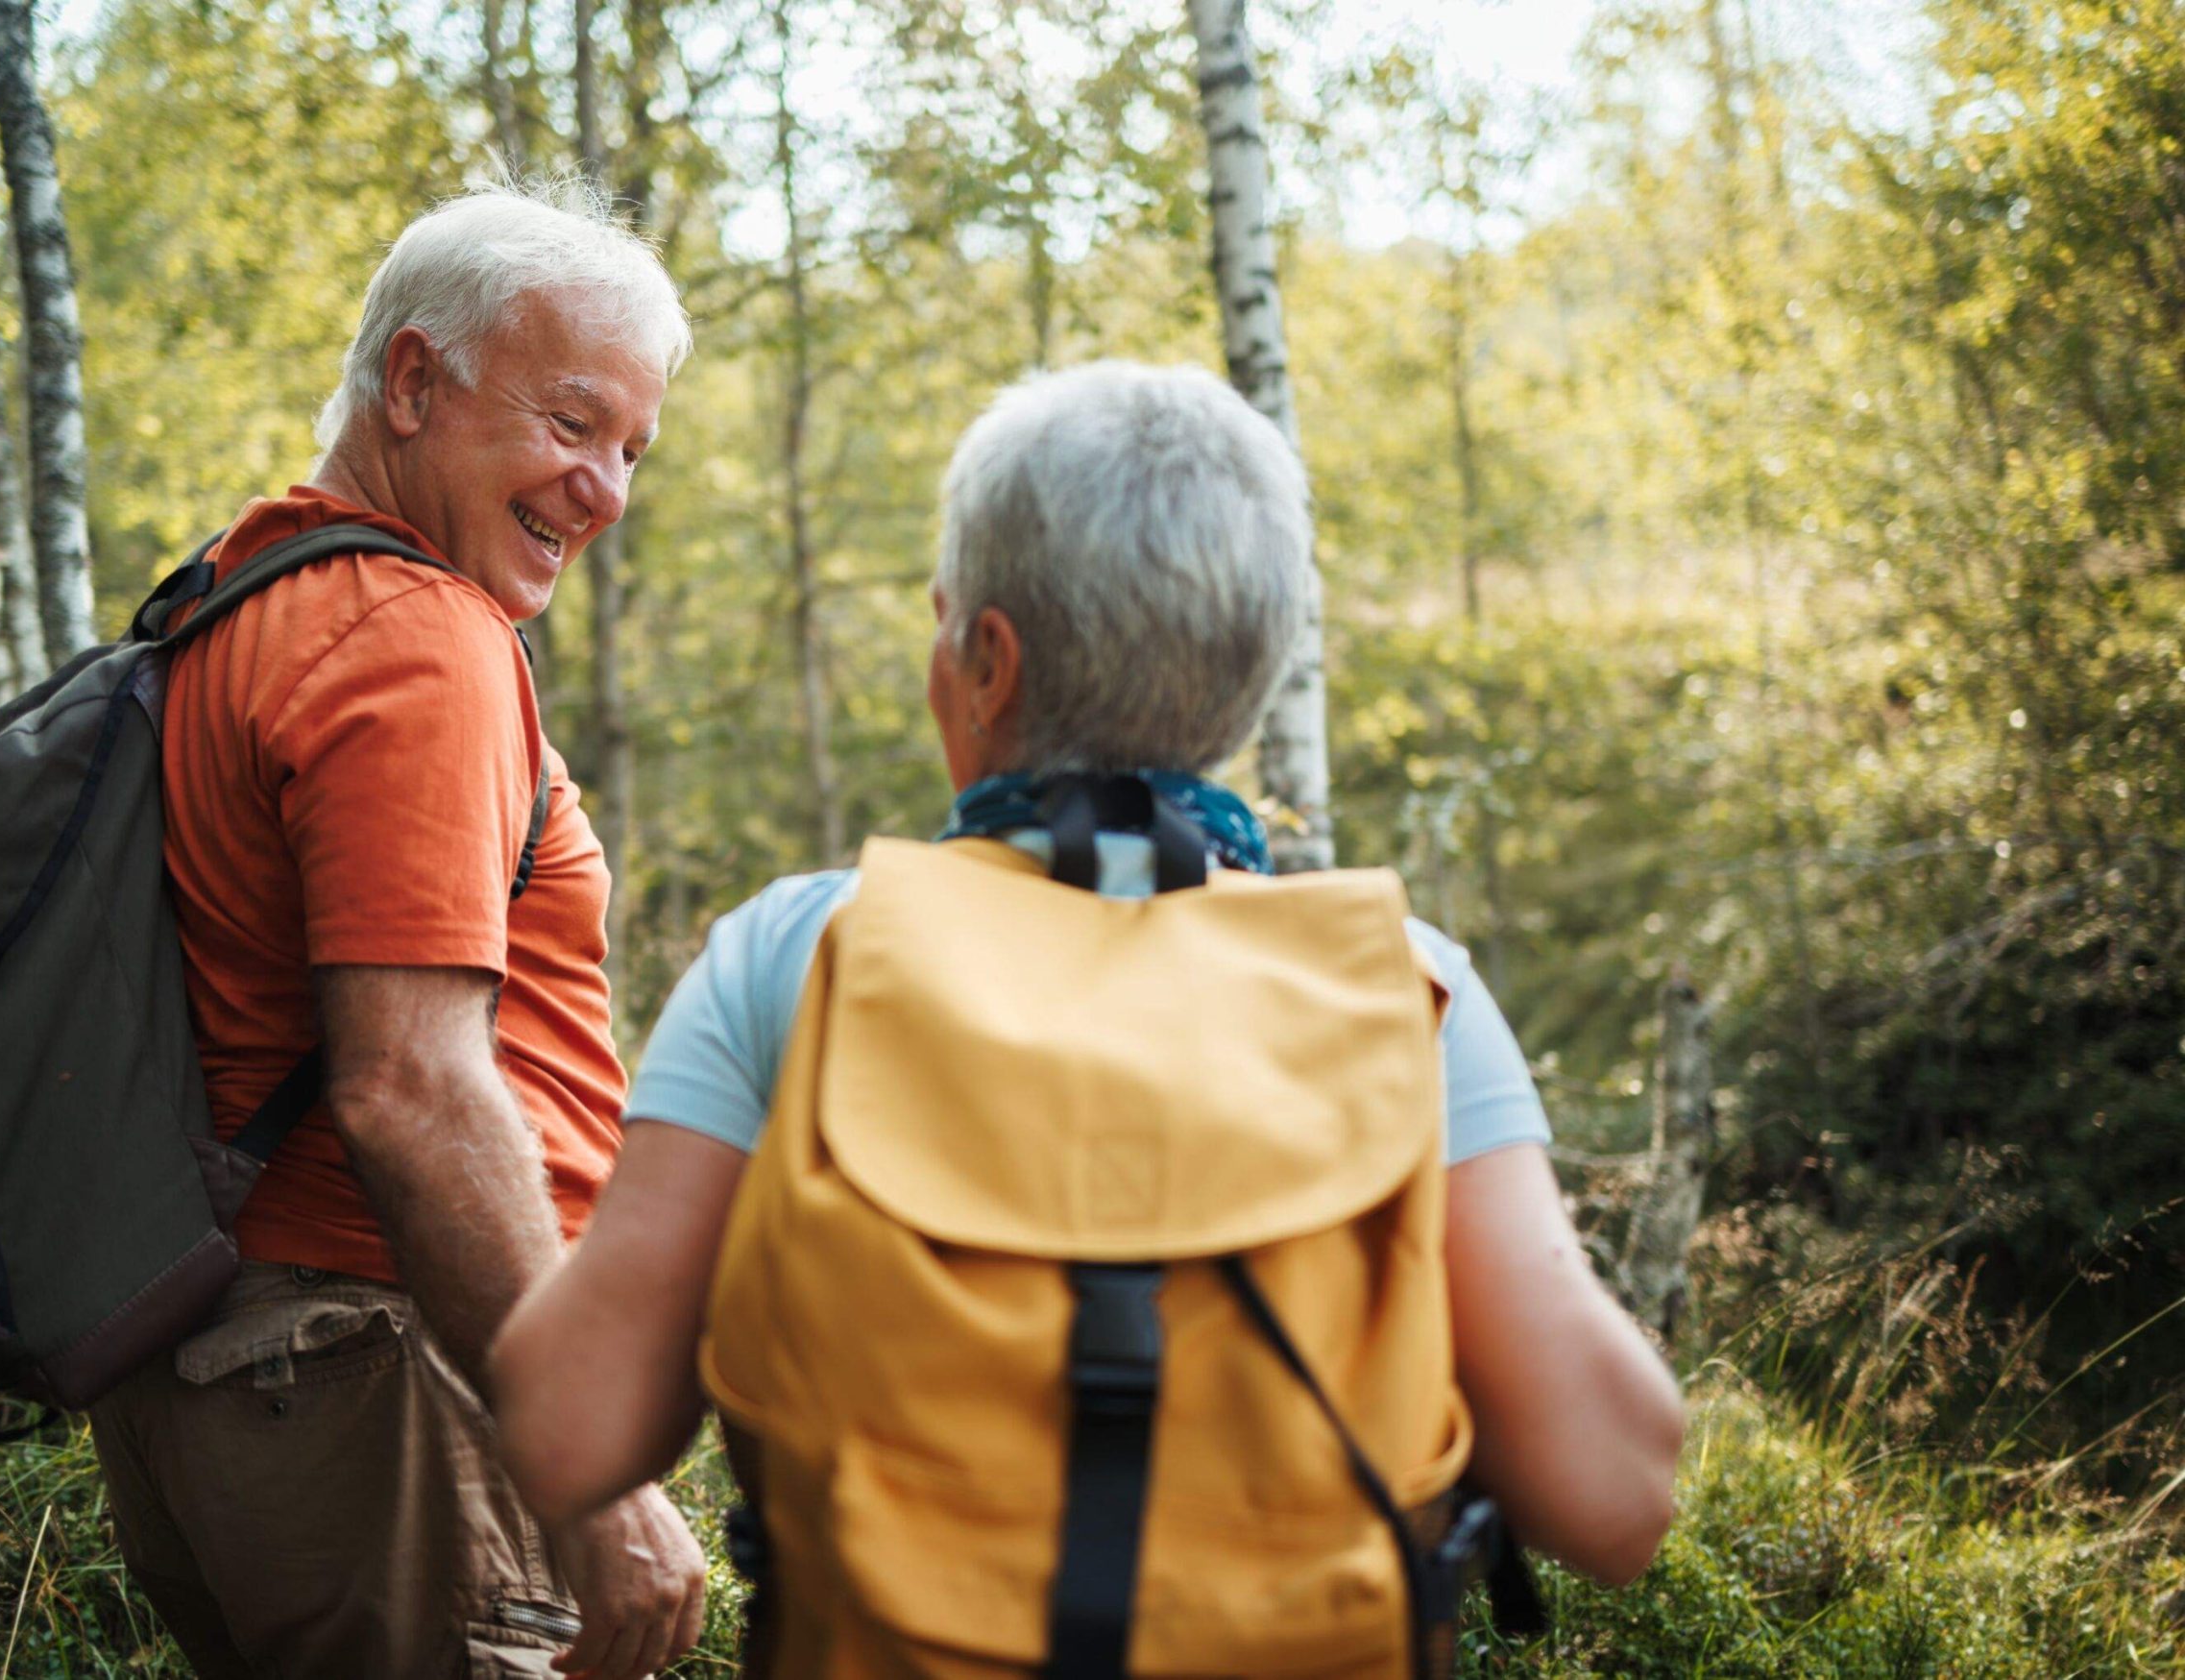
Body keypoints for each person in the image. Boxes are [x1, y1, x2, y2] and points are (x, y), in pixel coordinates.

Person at [489, 361, 1686, 1669]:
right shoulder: (1407, 984)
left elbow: (567, 1426)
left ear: (988, 660)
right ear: (1252, 668)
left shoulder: (796, 950)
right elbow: (1615, 1497)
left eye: (946, 631)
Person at [86, 179, 708, 1679]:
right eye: (570, 425)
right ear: (417, 383)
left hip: (242, 1384)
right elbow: (410, 1085)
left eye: (631, 447)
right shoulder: (417, 636)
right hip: (384, 1383)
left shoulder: (237, 595)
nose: (606, 491)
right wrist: (591, 1462)